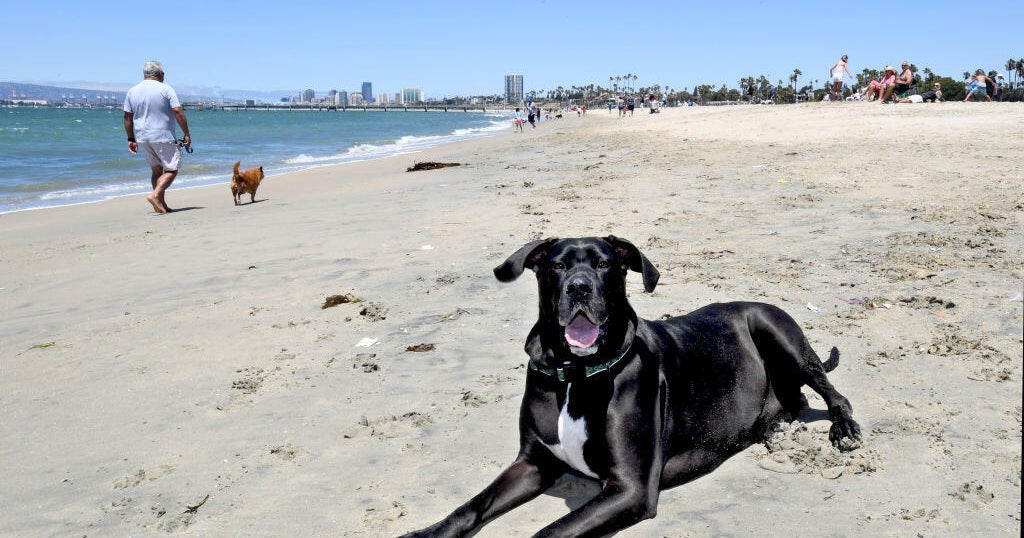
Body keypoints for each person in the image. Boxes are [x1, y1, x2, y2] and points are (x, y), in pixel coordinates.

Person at [123, 61, 191, 214]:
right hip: (163, 135)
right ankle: (155, 195)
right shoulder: (165, 89)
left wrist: (130, 139)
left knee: (156, 171)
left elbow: (127, 117)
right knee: (172, 169)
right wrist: (186, 133)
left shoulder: (132, 91)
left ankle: (161, 204)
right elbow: (178, 111)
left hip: (143, 137)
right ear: (160, 75)